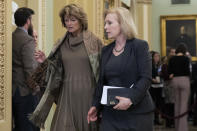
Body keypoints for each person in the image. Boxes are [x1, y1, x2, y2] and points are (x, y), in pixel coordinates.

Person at [29, 4, 103, 131]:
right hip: (66, 96)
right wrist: (44, 61)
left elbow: (102, 71)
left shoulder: (94, 41)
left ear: (81, 20)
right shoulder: (60, 44)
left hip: (88, 95)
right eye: (66, 20)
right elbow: (55, 72)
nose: (69, 23)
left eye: (73, 20)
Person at [87, 7, 154, 131]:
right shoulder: (106, 51)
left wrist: (130, 99)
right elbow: (101, 83)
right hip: (110, 114)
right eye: (105, 23)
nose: (105, 27)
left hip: (137, 113)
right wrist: (95, 106)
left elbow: (146, 78)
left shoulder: (140, 46)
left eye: (110, 23)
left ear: (123, 24)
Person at [12, 7, 41, 131]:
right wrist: (37, 90)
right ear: (28, 21)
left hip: (13, 91)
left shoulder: (11, 37)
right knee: (29, 127)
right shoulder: (27, 40)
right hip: (25, 92)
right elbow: (30, 70)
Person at [168, 43, 190, 131]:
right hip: (184, 80)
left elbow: (170, 72)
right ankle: (183, 128)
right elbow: (187, 71)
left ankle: (177, 127)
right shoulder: (186, 59)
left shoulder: (172, 59)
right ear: (184, 50)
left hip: (175, 81)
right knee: (183, 105)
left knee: (176, 104)